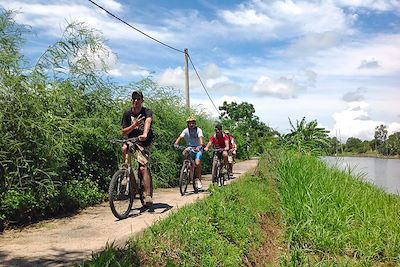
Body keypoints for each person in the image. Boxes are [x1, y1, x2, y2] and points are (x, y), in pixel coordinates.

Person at [121, 90, 154, 206]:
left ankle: (148, 195)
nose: (135, 100)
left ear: (142, 100)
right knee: (124, 148)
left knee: (142, 168)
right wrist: (134, 125)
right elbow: (124, 132)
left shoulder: (147, 112)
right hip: (131, 140)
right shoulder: (127, 113)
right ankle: (126, 173)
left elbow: (148, 122)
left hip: (144, 142)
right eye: (134, 98)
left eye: (138, 99)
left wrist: (144, 134)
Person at [174, 115, 204, 189]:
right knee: (184, 152)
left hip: (198, 148)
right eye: (189, 123)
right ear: (187, 124)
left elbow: (200, 139)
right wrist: (176, 144)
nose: (191, 124)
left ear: (195, 123)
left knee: (197, 163)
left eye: (192, 123)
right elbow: (180, 138)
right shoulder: (185, 130)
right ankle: (186, 166)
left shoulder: (198, 130)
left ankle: (198, 180)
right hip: (190, 148)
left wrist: (200, 145)